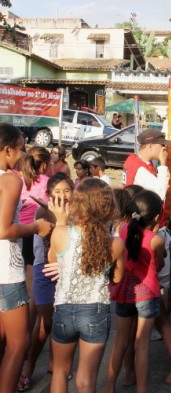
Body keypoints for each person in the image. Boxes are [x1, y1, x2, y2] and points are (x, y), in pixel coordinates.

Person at [105, 190, 171, 393]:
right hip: (147, 293)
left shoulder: (123, 229)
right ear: (156, 217)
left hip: (125, 291)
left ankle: (109, 386)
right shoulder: (156, 239)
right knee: (142, 345)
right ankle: (144, 389)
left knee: (120, 342)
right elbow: (160, 265)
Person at [45, 178, 124, 393]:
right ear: (107, 208)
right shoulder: (115, 243)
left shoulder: (61, 233)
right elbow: (117, 279)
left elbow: (53, 262)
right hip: (95, 310)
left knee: (60, 371)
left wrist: (60, 221)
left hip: (63, 308)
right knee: (86, 381)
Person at [0, 123, 53, 393]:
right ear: (6, 149)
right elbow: (4, 230)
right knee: (18, 345)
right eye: (20, 149)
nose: (22, 157)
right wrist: (36, 228)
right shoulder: (9, 179)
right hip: (6, 272)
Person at [18, 173, 75, 392]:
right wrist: (62, 220)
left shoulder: (78, 212)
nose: (62, 196)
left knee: (60, 322)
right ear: (49, 194)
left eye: (67, 190)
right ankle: (29, 366)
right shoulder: (43, 212)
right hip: (46, 270)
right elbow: (53, 251)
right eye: (57, 192)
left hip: (69, 272)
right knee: (47, 322)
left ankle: (56, 364)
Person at [18, 146, 51, 330]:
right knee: (31, 289)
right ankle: (26, 334)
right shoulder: (47, 181)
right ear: (44, 165)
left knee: (19, 283)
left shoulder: (18, 180)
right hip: (36, 234)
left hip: (17, 232)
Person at [122, 128, 171, 201]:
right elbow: (159, 195)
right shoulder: (140, 169)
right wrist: (163, 165)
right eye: (162, 144)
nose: (164, 148)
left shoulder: (135, 160)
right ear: (151, 146)